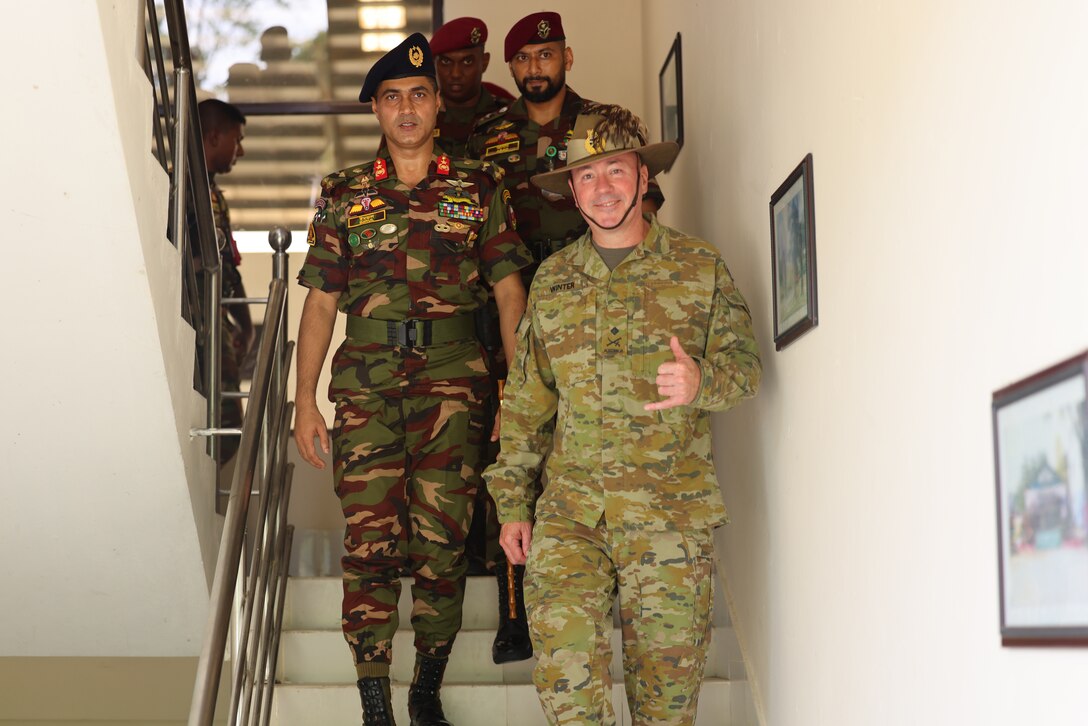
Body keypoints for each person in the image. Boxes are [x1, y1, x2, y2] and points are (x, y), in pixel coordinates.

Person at [483, 105, 762, 725]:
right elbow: (527, 404)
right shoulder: (553, 281)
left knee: (667, 705)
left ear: (643, 176)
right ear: (572, 189)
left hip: (669, 518)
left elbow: (746, 367)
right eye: (586, 175)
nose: (602, 187)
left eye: (615, 169)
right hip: (570, 518)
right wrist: (513, 505)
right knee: (567, 692)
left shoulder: (699, 267)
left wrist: (702, 381)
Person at [292, 33, 530, 726]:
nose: (406, 109)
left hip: (456, 387)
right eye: (392, 97)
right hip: (366, 391)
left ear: (436, 105)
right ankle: (374, 697)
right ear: (376, 109)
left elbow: (510, 291)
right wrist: (303, 400)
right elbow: (320, 303)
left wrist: (519, 387)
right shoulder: (344, 193)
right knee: (369, 544)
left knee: (442, 544)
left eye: (418, 95)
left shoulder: (479, 187)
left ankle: (426, 687)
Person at [466, 9, 668, 667]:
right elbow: (476, 223)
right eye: (523, 59)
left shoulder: (602, 125)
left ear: (567, 58)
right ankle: (515, 612)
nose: (535, 68)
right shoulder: (489, 136)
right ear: (511, 67)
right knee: (514, 449)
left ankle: (609, 595)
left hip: (597, 306)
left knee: (593, 446)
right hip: (513, 312)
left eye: (545, 55)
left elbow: (645, 209)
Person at [196, 98, 253, 462]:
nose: (240, 151)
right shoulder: (183, 191)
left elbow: (228, 262)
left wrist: (245, 324)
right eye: (237, 139)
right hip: (200, 320)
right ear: (215, 136)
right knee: (224, 427)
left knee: (228, 430)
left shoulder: (213, 194)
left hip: (218, 314)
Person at [429, 17, 513, 158]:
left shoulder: (511, 114)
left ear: (484, 62)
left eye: (467, 61)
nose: (455, 74)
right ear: (434, 64)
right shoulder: (419, 115)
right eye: (446, 62)